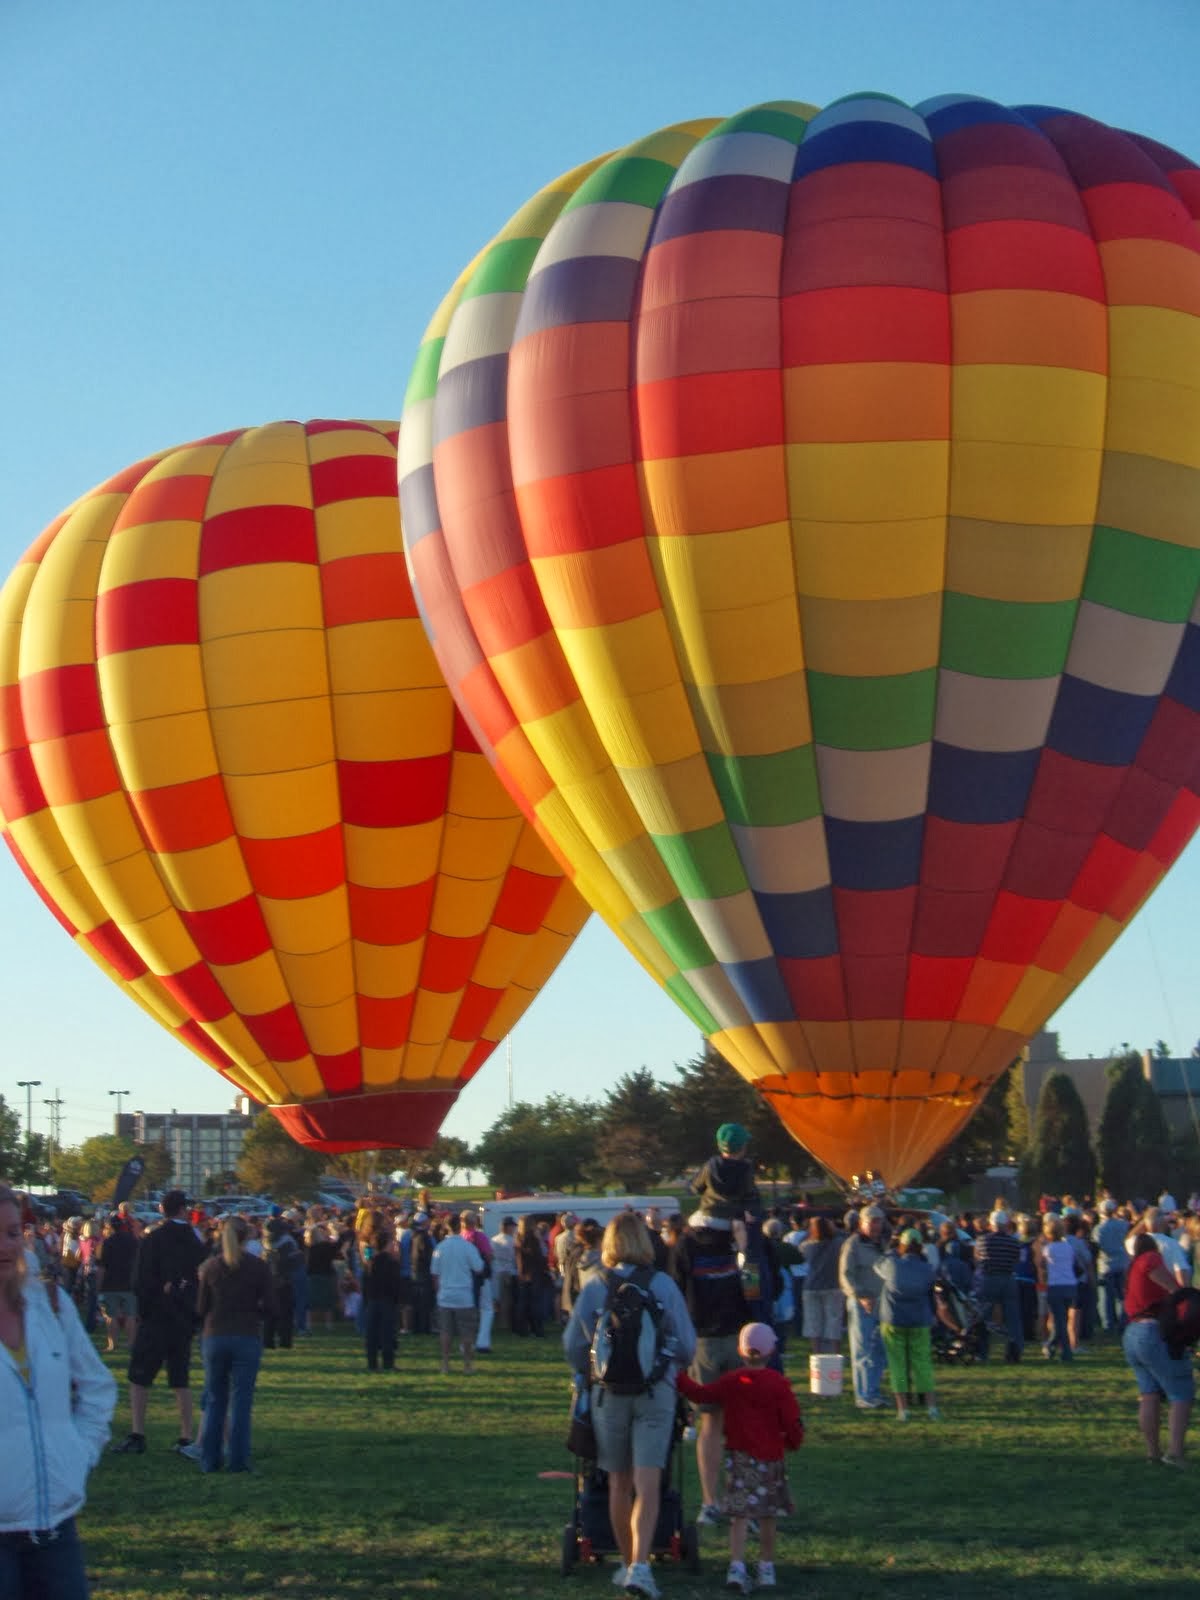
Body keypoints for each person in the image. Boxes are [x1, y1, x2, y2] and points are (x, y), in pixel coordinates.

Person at [564, 1212, 696, 1600]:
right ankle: (642, 1565)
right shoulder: (663, 1285)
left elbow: (573, 1344)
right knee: (648, 1483)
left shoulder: (596, 1285)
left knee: (617, 1482)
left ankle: (626, 1562)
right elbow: (687, 1345)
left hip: (609, 1395)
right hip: (655, 1392)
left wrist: (589, 1370)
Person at [0, 1183, 117, 1599]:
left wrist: (78, 1452)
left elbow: (97, 1387)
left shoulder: (50, 1303)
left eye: (12, 1232)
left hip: (56, 1531)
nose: (5, 1245)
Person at [675, 1321, 801, 1594]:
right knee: (767, 1514)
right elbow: (791, 1420)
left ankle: (737, 1565)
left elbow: (702, 1394)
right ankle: (766, 1567)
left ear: (740, 1351)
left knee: (739, 1515)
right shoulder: (778, 1384)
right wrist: (793, 1441)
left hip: (741, 1457)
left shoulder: (732, 1381)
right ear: (771, 1351)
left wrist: (679, 1376)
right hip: (770, 1458)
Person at [113, 1189, 208, 1455]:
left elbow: (140, 1279)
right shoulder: (194, 1241)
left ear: (162, 1209)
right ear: (183, 1209)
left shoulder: (153, 1239)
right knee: (180, 1378)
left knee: (140, 1376)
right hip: (183, 1317)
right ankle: (186, 1435)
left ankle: (138, 1433)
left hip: (155, 1315)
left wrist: (145, 1307)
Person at [674, 1209, 749, 1527]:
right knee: (733, 1422)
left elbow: (676, 1292)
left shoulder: (686, 1245)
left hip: (711, 1337)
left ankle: (714, 1501)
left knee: (713, 1421)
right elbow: (758, 1289)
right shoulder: (734, 1243)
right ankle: (736, 1501)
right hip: (731, 1336)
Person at [194, 1216, 274, 1473]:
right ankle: (238, 1460)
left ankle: (209, 1459)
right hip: (246, 1335)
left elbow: (201, 1307)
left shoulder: (210, 1268)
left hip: (215, 1335)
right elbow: (271, 1305)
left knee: (215, 1399)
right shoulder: (258, 1267)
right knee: (241, 1402)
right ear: (247, 1237)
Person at [1123, 1234, 1193, 1465]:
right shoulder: (1150, 1259)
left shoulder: (1132, 1266)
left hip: (1132, 1331)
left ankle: (1153, 1453)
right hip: (1153, 1331)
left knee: (1149, 1394)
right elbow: (1175, 1290)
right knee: (1181, 1393)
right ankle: (1175, 1452)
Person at [873, 1228, 938, 1421]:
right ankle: (931, 1407)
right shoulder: (927, 1269)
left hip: (894, 1321)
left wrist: (892, 1249)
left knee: (897, 1365)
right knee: (922, 1364)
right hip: (919, 1321)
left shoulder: (892, 1264)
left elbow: (877, 1264)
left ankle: (903, 1409)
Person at [839, 1205, 887, 1409]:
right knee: (863, 1349)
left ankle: (873, 1392)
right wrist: (860, 1296)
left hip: (882, 1302)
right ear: (862, 1223)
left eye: (879, 1221)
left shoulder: (883, 1243)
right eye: (872, 1221)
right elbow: (845, 1275)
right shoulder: (853, 1244)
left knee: (880, 1350)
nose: (876, 1226)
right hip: (862, 1303)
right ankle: (864, 1396)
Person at [691, 1123, 760, 1252]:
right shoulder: (746, 1169)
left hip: (706, 1217)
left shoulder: (711, 1165)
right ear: (742, 1147)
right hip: (731, 1223)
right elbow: (750, 1195)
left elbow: (695, 1188)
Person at [431, 1213, 484, 1375]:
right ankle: (467, 1364)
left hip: (445, 1295)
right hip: (464, 1296)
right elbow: (479, 1268)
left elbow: (435, 1274)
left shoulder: (440, 1248)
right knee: (467, 1332)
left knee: (446, 1332)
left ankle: (445, 1364)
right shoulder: (468, 1247)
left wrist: (438, 1292)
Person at [972, 1210, 1023, 1362]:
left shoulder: (983, 1240)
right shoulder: (1014, 1241)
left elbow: (977, 1258)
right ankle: (1015, 1351)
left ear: (991, 1224)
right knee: (1012, 1318)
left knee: (983, 1316)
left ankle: (982, 1352)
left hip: (988, 1279)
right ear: (1006, 1224)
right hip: (1008, 1279)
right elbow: (1016, 1260)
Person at [361, 1226, 403, 1372]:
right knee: (387, 1333)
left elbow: (366, 1283)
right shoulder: (392, 1263)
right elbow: (395, 1284)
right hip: (387, 1300)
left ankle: (372, 1363)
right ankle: (388, 1363)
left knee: (372, 1333)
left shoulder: (371, 1262)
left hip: (373, 1300)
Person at [800, 1217, 844, 1355]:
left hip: (811, 1286)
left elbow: (801, 1253)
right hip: (833, 1285)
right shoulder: (838, 1244)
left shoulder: (807, 1246)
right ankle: (835, 1351)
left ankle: (816, 1352)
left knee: (813, 1321)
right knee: (833, 1320)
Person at [1039, 1215, 1080, 1363]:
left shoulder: (1048, 1249)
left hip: (1055, 1285)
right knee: (1063, 1320)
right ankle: (1052, 1346)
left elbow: (1042, 1265)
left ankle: (1064, 1351)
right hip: (1070, 1285)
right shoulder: (1068, 1247)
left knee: (1059, 1320)